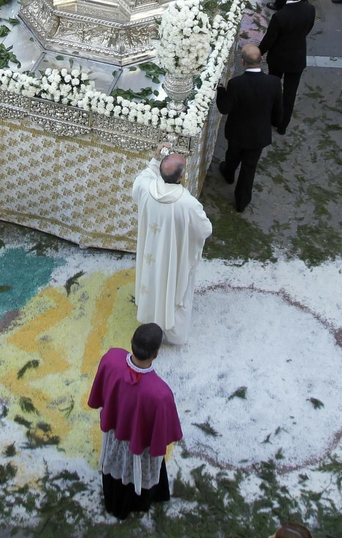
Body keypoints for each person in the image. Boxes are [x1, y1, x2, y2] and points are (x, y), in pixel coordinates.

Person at [86, 323, 182, 520]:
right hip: (141, 445)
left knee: (117, 467)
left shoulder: (111, 359)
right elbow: (163, 433)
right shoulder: (160, 394)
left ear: (131, 341)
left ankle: (116, 504)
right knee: (142, 468)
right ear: (156, 354)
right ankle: (144, 500)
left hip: (115, 433)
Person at [131, 150, 212, 344]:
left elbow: (140, 179)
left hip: (150, 253)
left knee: (150, 282)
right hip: (172, 259)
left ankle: (148, 316)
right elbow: (205, 229)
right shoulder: (188, 204)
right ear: (181, 177)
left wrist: (156, 156)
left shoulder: (146, 188)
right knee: (173, 289)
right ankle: (173, 332)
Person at [216, 44, 283, 213]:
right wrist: (276, 123)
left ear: (243, 62)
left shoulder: (236, 84)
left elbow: (224, 108)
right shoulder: (274, 83)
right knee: (249, 168)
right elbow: (278, 109)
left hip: (237, 132)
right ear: (261, 60)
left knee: (232, 156)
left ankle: (229, 173)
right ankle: (242, 201)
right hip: (258, 135)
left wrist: (220, 90)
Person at [261, 0, 316, 136]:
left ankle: (272, 119)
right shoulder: (310, 9)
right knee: (290, 93)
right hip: (297, 58)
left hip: (278, 58)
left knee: (274, 89)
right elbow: (308, 29)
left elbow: (269, 39)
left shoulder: (280, 16)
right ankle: (282, 125)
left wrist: (258, 53)